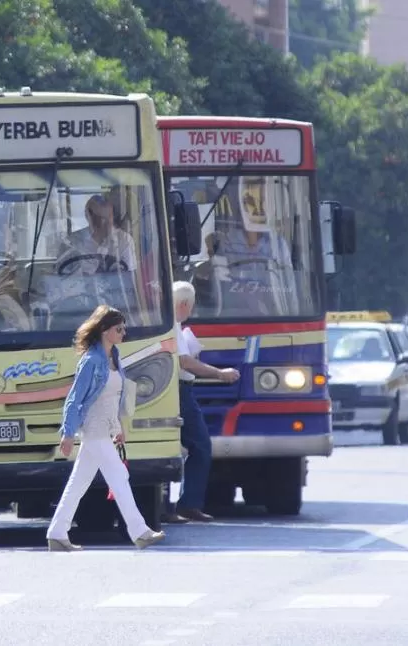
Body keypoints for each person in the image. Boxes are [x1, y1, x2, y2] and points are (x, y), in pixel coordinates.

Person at [45, 305, 166, 551]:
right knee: (118, 476)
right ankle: (139, 531)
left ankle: (57, 532)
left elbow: (113, 398)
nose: (123, 333)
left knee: (78, 484)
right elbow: (75, 398)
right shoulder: (91, 360)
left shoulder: (115, 356)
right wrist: (67, 433)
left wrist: (118, 426)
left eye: (124, 328)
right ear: (104, 330)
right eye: (118, 329)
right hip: (93, 428)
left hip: (104, 428)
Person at [170, 281, 240, 523]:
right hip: (180, 391)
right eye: (191, 305)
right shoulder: (173, 326)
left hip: (177, 390)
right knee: (201, 446)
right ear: (184, 304)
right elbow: (185, 363)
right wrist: (221, 374)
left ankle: (178, 504)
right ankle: (189, 504)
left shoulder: (172, 326)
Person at [56, 195, 137, 274]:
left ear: (113, 217)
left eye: (106, 218)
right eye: (97, 218)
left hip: (116, 287)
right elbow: (60, 279)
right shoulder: (71, 243)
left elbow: (129, 276)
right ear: (87, 216)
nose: (102, 223)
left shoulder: (124, 240)